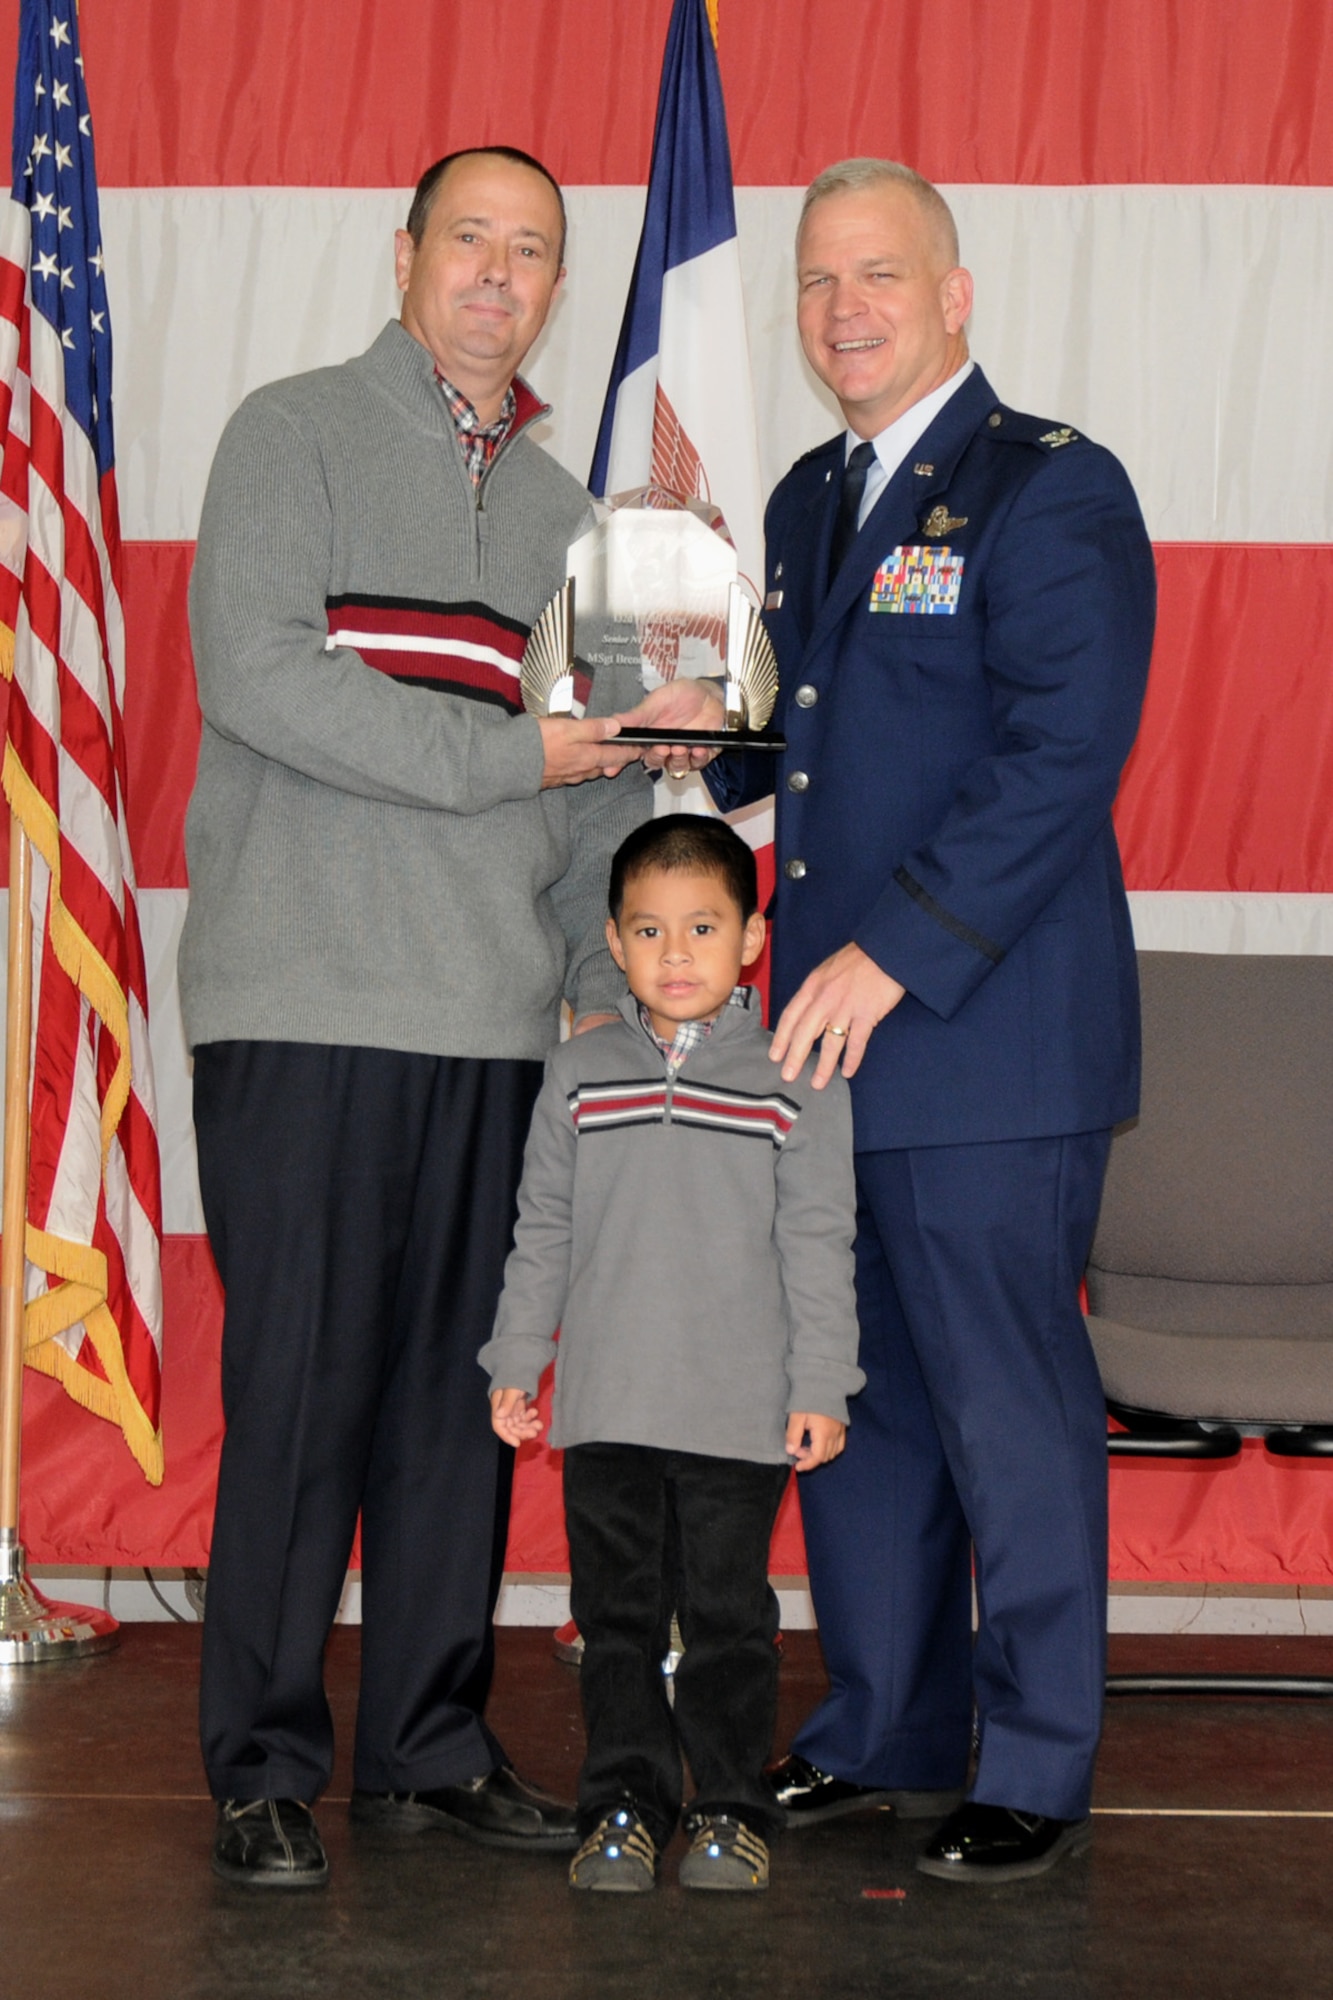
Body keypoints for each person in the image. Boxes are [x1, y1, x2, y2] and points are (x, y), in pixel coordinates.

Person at [182, 146, 701, 1890]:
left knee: (449, 1404)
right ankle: (259, 1763)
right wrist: (514, 756)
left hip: (495, 1028)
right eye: (468, 238)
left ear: (556, 289)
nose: (497, 272)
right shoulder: (289, 433)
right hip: (306, 1001)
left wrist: (591, 973)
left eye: (531, 251)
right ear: (404, 255)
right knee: (302, 1393)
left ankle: (420, 1743)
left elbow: (585, 803)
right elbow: (256, 672)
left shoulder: (573, 519)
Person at [705, 158, 1156, 1883]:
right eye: (818, 282)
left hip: (981, 1037)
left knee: (1003, 1407)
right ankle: (880, 1725)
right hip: (829, 1045)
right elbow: (801, 742)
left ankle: (1031, 1763)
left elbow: (1059, 756)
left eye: (878, 275)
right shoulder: (813, 494)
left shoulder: (1049, 489)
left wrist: (891, 953)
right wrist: (683, 732)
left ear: (952, 294)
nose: (843, 309)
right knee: (863, 1400)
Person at [479, 815, 863, 1893]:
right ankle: (621, 1802)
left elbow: (818, 1241)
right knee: (617, 1624)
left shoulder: (799, 1075)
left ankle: (730, 1806)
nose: (677, 952)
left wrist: (820, 1384)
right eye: (649, 929)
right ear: (611, 939)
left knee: (730, 1623)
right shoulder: (577, 1072)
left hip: (738, 1418)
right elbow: (540, 1227)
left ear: (750, 937)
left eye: (703, 926)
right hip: (605, 1412)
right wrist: (516, 1357)